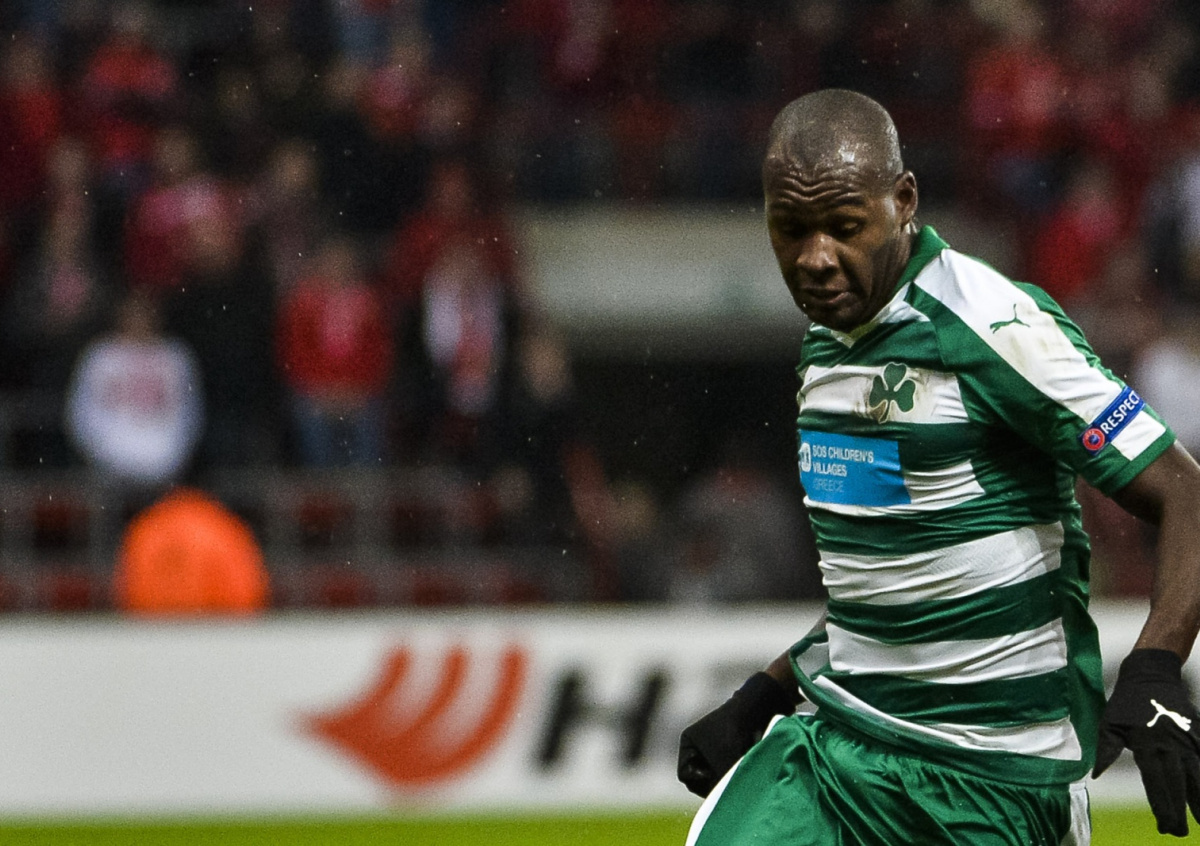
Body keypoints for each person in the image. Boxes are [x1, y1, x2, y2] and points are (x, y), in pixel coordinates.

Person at [678, 89, 1200, 845]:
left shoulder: (990, 322)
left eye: (844, 227)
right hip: (841, 751)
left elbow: (1185, 490)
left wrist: (1155, 665)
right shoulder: (827, 349)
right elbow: (887, 578)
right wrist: (768, 690)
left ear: (904, 201)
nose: (815, 258)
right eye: (790, 229)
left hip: (991, 783)